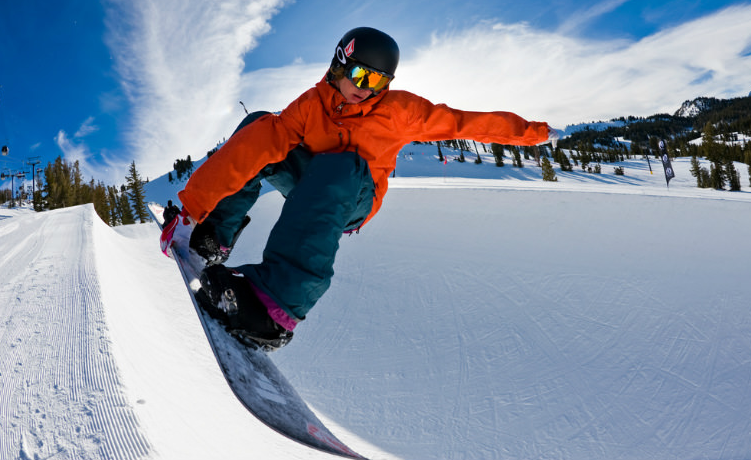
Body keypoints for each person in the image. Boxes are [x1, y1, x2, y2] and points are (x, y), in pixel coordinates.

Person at [161, 26, 558, 351]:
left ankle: (275, 307)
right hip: (311, 180)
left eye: (379, 81)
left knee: (340, 165)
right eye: (361, 75)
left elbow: (465, 123)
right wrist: (192, 206)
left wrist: (534, 133)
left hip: (354, 194)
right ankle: (211, 237)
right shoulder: (311, 104)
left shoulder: (399, 111)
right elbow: (258, 148)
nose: (367, 89)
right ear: (340, 64)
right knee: (261, 127)